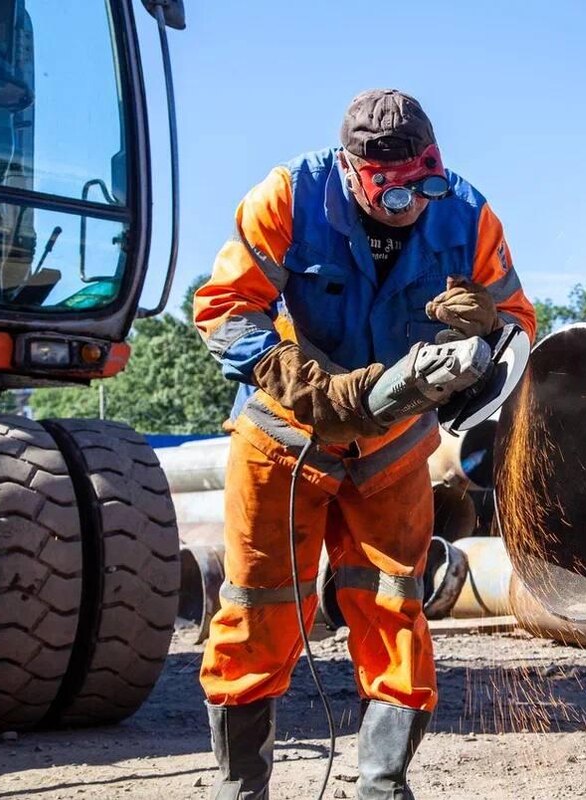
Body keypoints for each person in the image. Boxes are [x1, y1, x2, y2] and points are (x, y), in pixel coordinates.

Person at [192, 89, 535, 800]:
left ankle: (381, 786)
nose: (411, 204)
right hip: (286, 440)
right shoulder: (290, 195)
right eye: (392, 191)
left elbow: (518, 325)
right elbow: (225, 306)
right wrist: (303, 383)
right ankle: (240, 789)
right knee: (260, 611)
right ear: (353, 171)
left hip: (394, 447)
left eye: (425, 186)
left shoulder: (469, 215)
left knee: (393, 609)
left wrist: (487, 340)